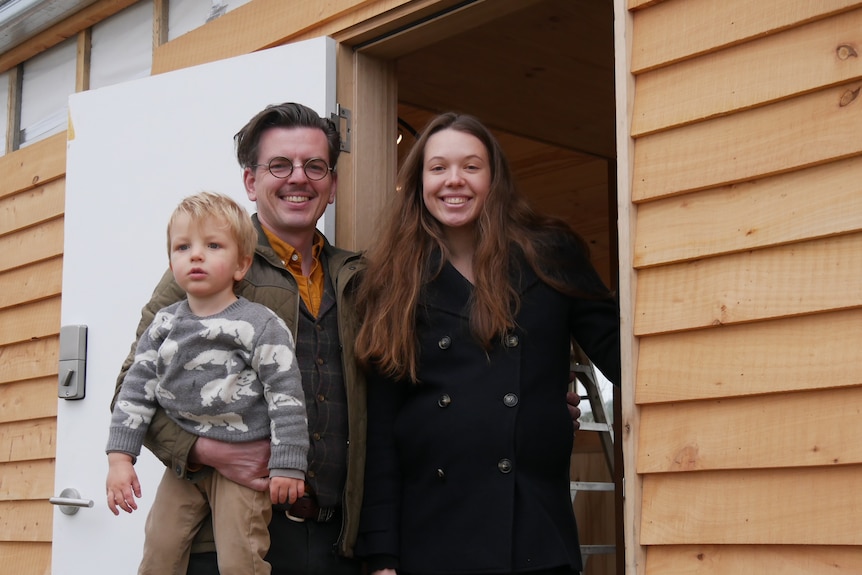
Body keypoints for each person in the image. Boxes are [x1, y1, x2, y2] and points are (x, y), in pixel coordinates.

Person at [353, 112, 621, 575]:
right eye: (437, 168)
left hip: (534, 531)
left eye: (471, 166)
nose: (453, 181)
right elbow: (383, 433)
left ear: (494, 177)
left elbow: (622, 351)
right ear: (419, 182)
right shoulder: (393, 280)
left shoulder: (549, 254)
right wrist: (382, 556)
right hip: (432, 536)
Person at [112, 103, 366, 575]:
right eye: (279, 165)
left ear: (331, 185)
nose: (299, 178)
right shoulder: (205, 268)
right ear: (251, 182)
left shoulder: (358, 279)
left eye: (315, 166)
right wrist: (209, 451)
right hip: (226, 543)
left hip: (336, 543)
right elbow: (130, 387)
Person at [106, 191, 309, 574]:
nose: (195, 255)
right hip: (185, 467)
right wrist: (120, 459)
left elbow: (286, 394)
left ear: (241, 265)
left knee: (240, 559)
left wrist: (288, 465)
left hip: (245, 462)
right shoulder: (164, 325)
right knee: (158, 553)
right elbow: (135, 391)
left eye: (213, 245)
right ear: (171, 261)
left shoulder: (260, 324)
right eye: (183, 247)